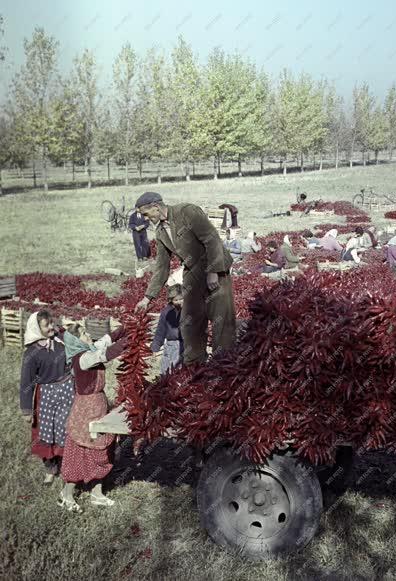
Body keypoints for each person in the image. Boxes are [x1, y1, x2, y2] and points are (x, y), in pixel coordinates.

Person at [134, 192, 236, 364]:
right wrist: (147, 298)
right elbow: (161, 267)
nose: (145, 219)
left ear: (156, 207)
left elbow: (212, 240)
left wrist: (213, 272)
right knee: (190, 323)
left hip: (215, 270)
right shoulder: (160, 232)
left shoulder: (187, 212)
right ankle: (196, 367)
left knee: (222, 321)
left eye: (146, 213)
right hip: (192, 273)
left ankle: (223, 366)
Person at [59, 322, 128, 511]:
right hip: (86, 410)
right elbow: (104, 353)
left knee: (101, 450)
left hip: (98, 405)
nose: (88, 334)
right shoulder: (81, 358)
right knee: (81, 451)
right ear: (76, 342)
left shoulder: (88, 348)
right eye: (83, 333)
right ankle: (66, 494)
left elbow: (106, 341)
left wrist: (125, 328)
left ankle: (97, 494)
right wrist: (127, 342)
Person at [20, 311, 74, 485]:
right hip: (46, 396)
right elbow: (26, 382)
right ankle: (50, 468)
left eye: (52, 323)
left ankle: (66, 465)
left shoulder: (60, 341)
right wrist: (27, 410)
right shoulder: (31, 353)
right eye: (46, 325)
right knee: (46, 431)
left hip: (66, 392)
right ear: (37, 329)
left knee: (64, 428)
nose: (51, 327)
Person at [152, 285, 184, 374]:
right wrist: (156, 345)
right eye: (176, 300)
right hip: (171, 344)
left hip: (184, 344)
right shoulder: (166, 312)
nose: (179, 302)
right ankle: (164, 382)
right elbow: (160, 330)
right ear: (171, 300)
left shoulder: (188, 310)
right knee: (166, 368)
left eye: (181, 299)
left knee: (179, 368)